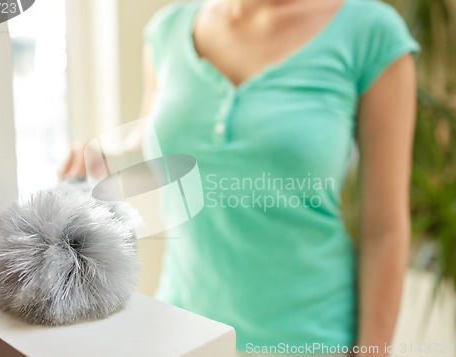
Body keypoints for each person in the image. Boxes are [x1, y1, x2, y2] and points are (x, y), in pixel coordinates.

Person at [61, 0, 419, 355]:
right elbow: (158, 150)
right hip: (182, 331)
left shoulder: (370, 31)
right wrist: (101, 160)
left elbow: (383, 228)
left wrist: (373, 351)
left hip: (310, 337)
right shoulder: (167, 30)